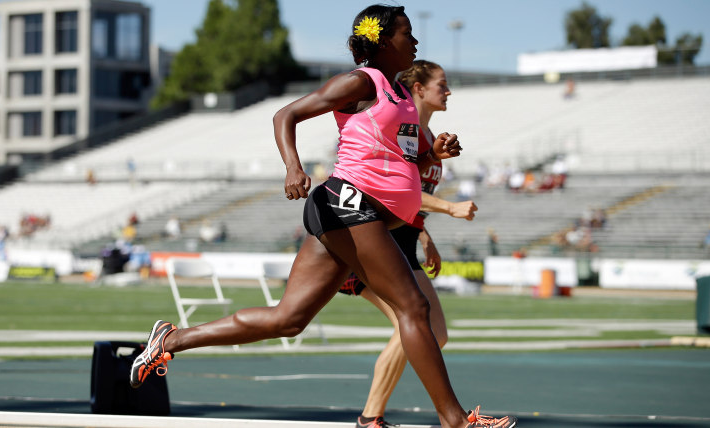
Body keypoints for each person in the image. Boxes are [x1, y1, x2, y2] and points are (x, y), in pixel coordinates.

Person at [128, 6, 516, 428]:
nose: (416, 42)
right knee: (414, 307)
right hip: (347, 203)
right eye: (408, 34)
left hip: (355, 214)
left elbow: (403, 159)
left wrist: (431, 153)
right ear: (384, 41)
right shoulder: (361, 81)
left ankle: (171, 339)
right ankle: (456, 420)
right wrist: (293, 167)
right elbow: (285, 115)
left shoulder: (401, 96)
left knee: (288, 319)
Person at [337, 59, 480, 428]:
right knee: (413, 326)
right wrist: (449, 207)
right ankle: (372, 417)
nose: (448, 91)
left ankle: (371, 416)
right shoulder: (402, 129)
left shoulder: (431, 141)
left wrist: (423, 233)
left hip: (404, 242)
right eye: (442, 84)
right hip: (375, 241)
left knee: (436, 332)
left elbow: (410, 198)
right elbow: (391, 190)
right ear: (419, 88)